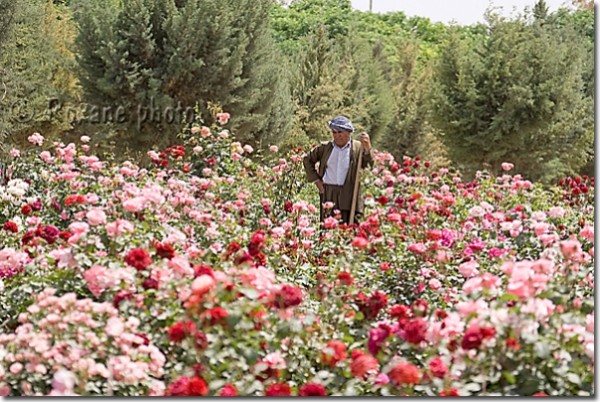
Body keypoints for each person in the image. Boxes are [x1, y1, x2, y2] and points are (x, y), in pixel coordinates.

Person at [303, 115, 374, 225]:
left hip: (349, 193)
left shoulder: (357, 148)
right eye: (334, 132)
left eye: (340, 132)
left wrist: (368, 149)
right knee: (328, 226)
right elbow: (307, 160)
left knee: (348, 227)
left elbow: (369, 165)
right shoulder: (325, 148)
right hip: (329, 193)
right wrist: (317, 181)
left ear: (348, 132)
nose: (337, 136)